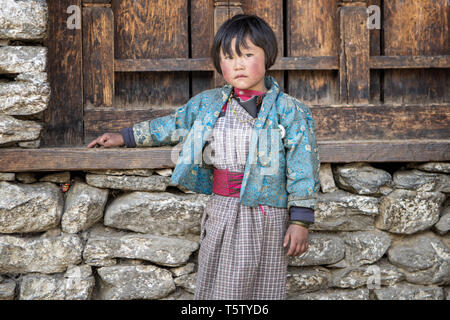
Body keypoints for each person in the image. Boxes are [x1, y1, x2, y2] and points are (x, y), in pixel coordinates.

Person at [87, 14, 320, 300]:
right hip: (221, 210)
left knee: (262, 287)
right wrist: (125, 136)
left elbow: (302, 166)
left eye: (247, 55)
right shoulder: (209, 104)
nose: (238, 64)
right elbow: (173, 125)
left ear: (268, 56)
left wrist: (300, 222)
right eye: (229, 57)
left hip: (267, 216)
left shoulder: (290, 111)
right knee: (216, 285)